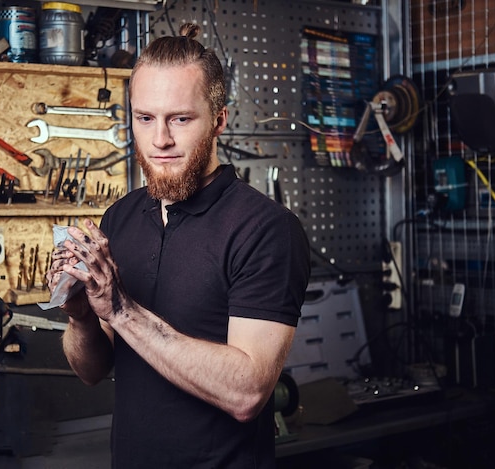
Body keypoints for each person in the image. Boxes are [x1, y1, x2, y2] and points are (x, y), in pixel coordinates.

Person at [47, 22, 311, 469]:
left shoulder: (266, 229)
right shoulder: (121, 217)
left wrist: (121, 310)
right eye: (145, 118)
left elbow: (247, 392)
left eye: (180, 119)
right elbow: (92, 372)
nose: (160, 140)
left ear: (219, 120)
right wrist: (79, 315)